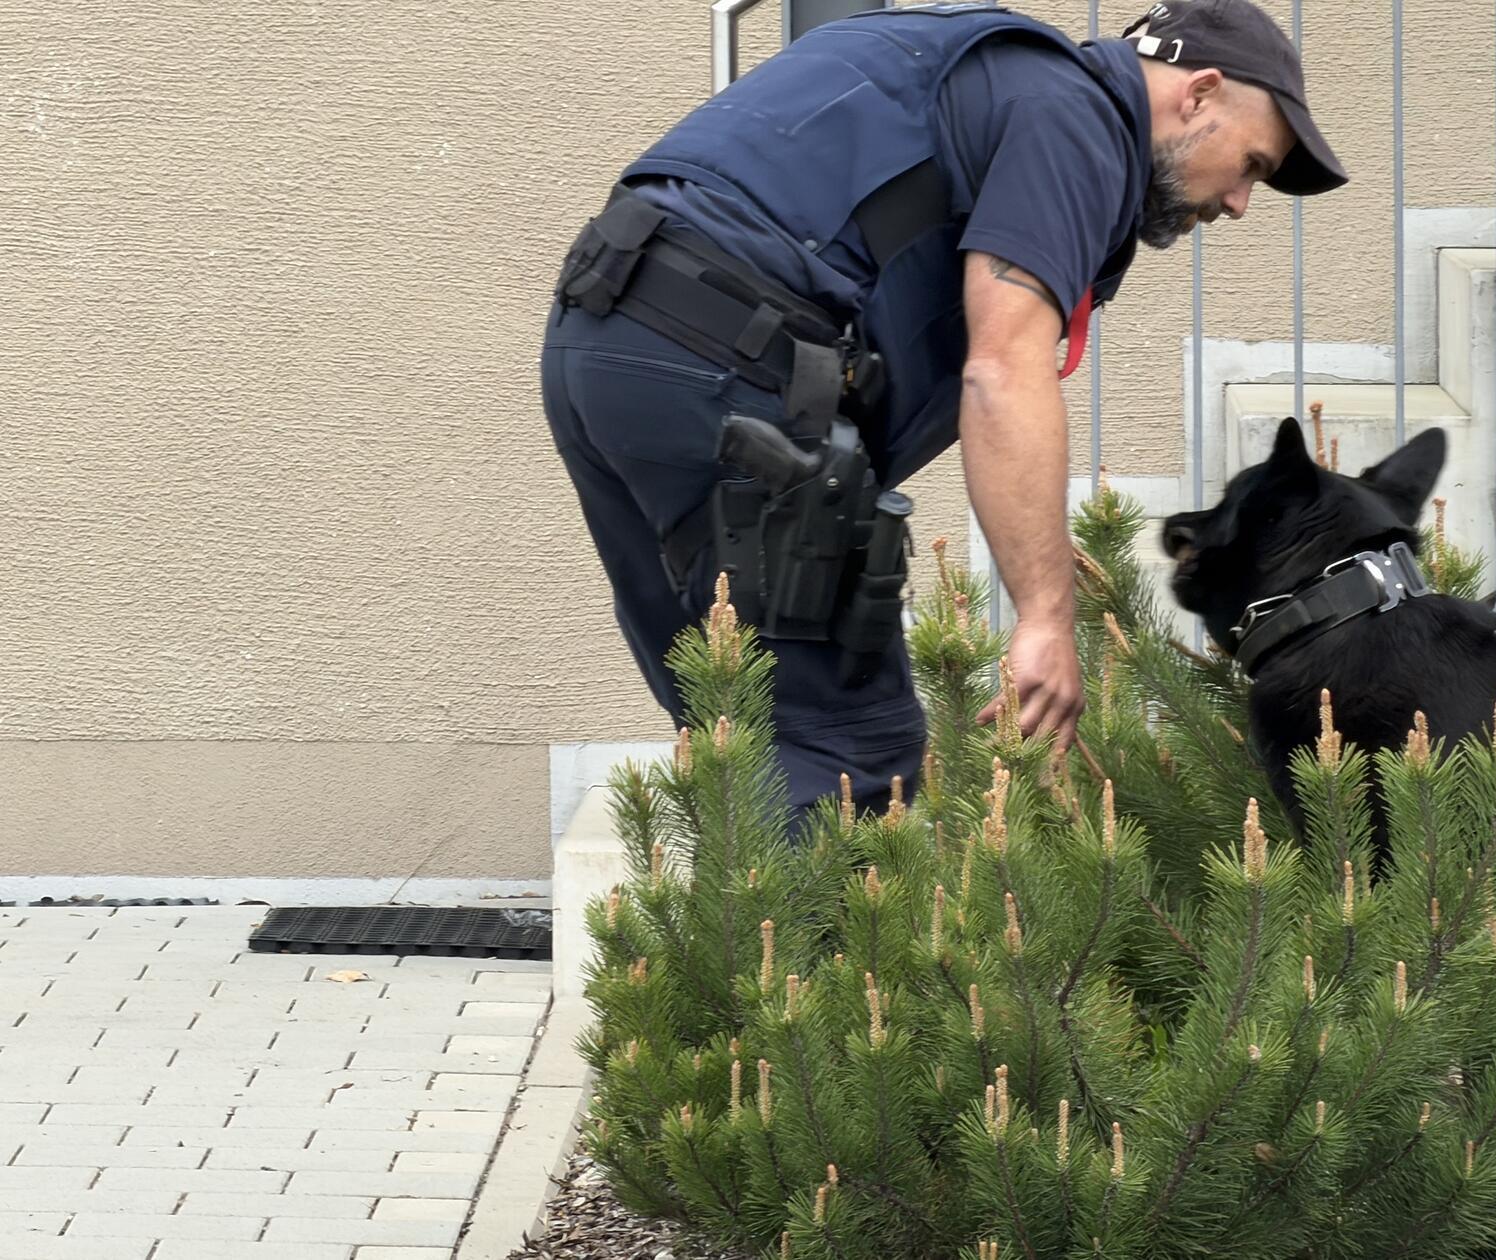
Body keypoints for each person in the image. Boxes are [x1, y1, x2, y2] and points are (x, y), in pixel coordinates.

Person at [538, 0, 1346, 821]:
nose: (1241, 202)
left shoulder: (968, 63)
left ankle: (734, 945)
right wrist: (1044, 619)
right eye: (1250, 164)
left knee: (734, 720)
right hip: (729, 374)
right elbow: (1002, 371)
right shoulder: (1077, 121)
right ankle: (813, 950)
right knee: (849, 757)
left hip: (601, 340)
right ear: (1199, 93)